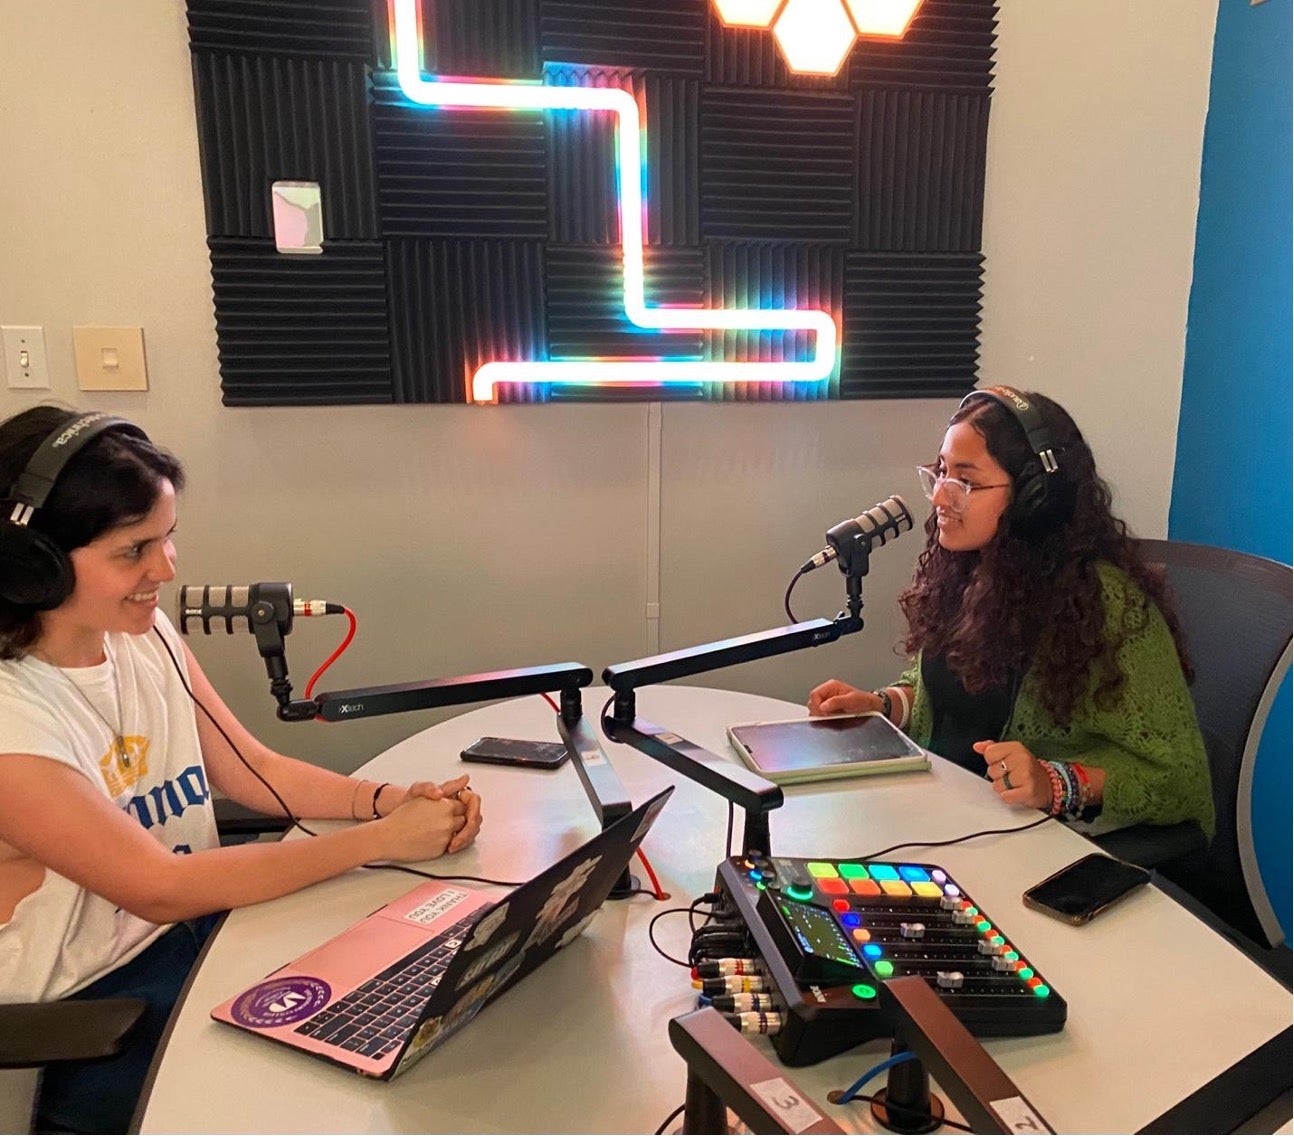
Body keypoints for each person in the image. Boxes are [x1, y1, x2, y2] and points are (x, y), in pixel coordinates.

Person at [0, 406, 484, 1134]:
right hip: (86, 1010)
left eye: (167, 540)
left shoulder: (141, 632)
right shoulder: (12, 718)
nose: (164, 571)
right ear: (28, 564)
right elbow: (158, 889)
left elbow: (251, 770)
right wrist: (380, 841)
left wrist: (385, 803)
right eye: (133, 552)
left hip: (193, 939)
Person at [808, 386, 1214, 837]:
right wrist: (885, 705)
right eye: (940, 472)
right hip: (952, 819)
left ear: (1034, 497)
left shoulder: (1107, 606)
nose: (940, 497)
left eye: (965, 481)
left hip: (1042, 844)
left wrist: (1053, 782)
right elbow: (953, 696)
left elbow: (1179, 780)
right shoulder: (969, 568)